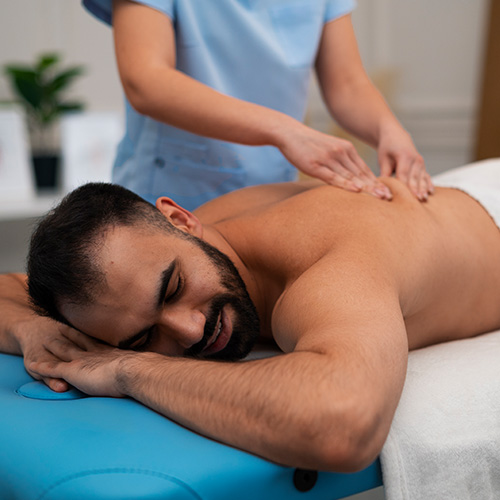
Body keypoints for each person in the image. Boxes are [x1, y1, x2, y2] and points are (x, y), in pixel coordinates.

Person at [1, 159, 499, 473]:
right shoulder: (154, 257)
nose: (190, 330)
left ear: (180, 218)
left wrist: (129, 367)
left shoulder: (332, 267)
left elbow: (344, 426)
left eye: (173, 289)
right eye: (141, 338)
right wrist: (35, 330)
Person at [82, 0, 432, 209]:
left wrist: (389, 130)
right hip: (172, 194)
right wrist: (286, 131)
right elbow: (145, 81)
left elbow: (348, 84)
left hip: (271, 194)